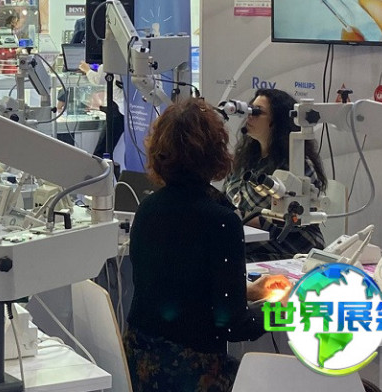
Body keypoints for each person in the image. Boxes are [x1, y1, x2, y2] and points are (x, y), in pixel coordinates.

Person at [124, 98, 290, 392]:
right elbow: (235, 326)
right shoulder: (220, 220)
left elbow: (178, 290)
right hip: (193, 374)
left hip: (140, 368)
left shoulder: (147, 209)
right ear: (215, 151)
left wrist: (247, 291)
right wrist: (286, 312)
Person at [224, 88, 327, 262]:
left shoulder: (297, 166)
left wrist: (237, 217)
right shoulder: (246, 160)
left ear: (277, 121)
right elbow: (227, 200)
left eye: (257, 112)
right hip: (248, 246)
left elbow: (290, 222)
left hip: (289, 252)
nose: (249, 116)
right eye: (249, 109)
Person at [79, 61, 125, 158]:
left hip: (117, 106)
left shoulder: (111, 61)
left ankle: (98, 166)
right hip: (123, 106)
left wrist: (87, 70)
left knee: (102, 149)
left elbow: (98, 79)